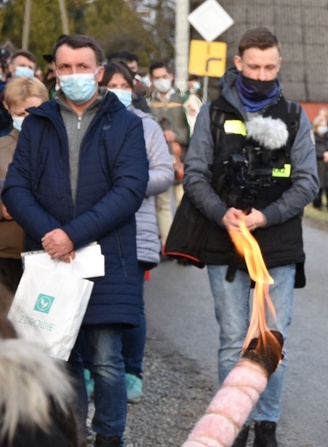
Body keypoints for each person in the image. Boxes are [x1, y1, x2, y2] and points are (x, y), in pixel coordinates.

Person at [1, 34, 149, 447]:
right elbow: (15, 189)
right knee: (60, 359)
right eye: (65, 68)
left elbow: (129, 189)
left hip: (105, 258)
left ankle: (108, 438)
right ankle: (72, 436)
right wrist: (52, 235)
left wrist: (72, 235)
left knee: (105, 362)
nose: (73, 75)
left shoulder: (125, 124)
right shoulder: (38, 122)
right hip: (49, 260)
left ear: (99, 72)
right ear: (55, 73)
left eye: (82, 67)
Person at [182, 27, 319, 447]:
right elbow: (194, 175)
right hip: (225, 243)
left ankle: (266, 426)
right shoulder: (213, 113)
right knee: (232, 338)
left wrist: (267, 215)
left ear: (279, 64)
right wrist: (222, 213)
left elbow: (308, 181)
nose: (262, 74)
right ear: (238, 63)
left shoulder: (295, 116)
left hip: (277, 245)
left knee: (270, 339)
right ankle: (233, 423)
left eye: (270, 67)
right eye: (254, 66)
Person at [99, 62, 173, 403]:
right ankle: (91, 368)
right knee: (92, 303)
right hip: (92, 227)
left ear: (132, 87)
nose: (117, 89)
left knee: (132, 307)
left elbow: (165, 173)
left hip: (136, 227)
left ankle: (132, 372)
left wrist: (127, 186)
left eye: (122, 84)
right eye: (110, 83)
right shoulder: (91, 122)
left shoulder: (146, 126)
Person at [0, 77, 49, 294]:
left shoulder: (61, 146)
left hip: (50, 251)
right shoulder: (1, 148)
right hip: (7, 254)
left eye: (34, 111)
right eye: (20, 113)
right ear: (7, 109)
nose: (28, 119)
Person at [147, 61, 190, 251]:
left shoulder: (184, 99)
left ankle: (184, 245)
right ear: (151, 79)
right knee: (162, 204)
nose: (161, 81)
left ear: (171, 76)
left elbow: (193, 129)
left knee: (183, 202)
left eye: (164, 77)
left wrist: (177, 136)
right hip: (158, 159)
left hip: (182, 158)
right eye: (157, 78)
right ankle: (167, 244)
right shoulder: (148, 102)